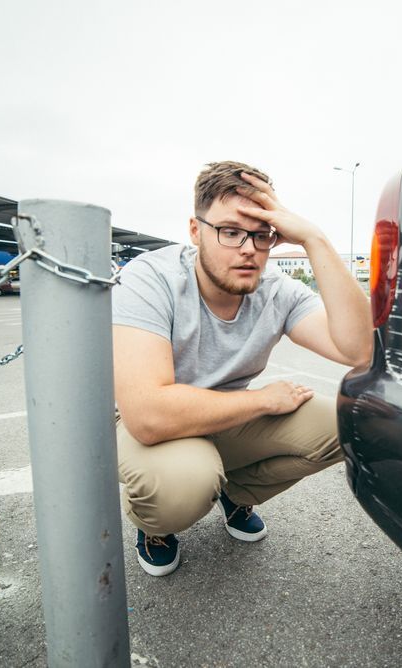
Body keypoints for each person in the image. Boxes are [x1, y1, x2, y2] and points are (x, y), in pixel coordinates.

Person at [112, 160, 373, 576]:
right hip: (155, 429)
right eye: (230, 232)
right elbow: (147, 414)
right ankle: (154, 527)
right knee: (184, 483)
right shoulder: (151, 277)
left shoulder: (277, 290)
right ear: (196, 231)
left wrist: (314, 240)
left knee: (356, 425)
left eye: (261, 233)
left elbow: (359, 349)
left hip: (225, 417)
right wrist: (262, 401)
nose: (249, 248)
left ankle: (235, 493)